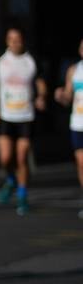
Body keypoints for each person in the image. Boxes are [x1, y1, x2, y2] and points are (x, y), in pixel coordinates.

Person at [0, 27, 49, 216]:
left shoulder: (31, 60)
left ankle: (22, 195)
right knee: (5, 158)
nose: (15, 42)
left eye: (18, 39)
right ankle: (11, 179)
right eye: (11, 39)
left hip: (26, 116)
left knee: (21, 157)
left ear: (23, 40)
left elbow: (40, 82)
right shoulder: (0, 60)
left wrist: (42, 97)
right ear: (6, 41)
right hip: (6, 115)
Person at [55, 37, 83, 219]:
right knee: (81, 163)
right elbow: (67, 96)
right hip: (78, 123)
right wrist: (61, 96)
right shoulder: (74, 70)